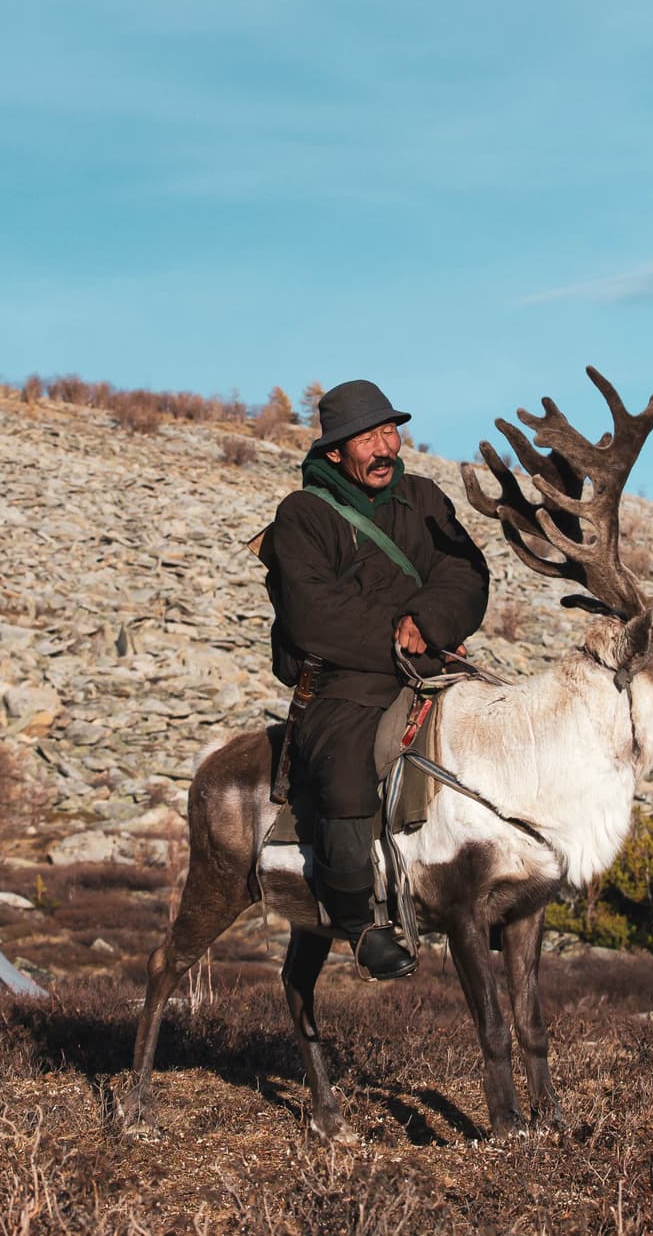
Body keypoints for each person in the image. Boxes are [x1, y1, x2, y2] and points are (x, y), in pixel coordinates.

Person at [260, 379, 490, 979]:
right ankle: (358, 922)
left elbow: (465, 573)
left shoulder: (424, 498)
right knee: (342, 763)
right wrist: (402, 632)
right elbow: (313, 613)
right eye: (369, 438)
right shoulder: (302, 515)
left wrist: (431, 621)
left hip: (434, 659)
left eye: (390, 431)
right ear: (336, 452)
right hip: (348, 679)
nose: (385, 447)